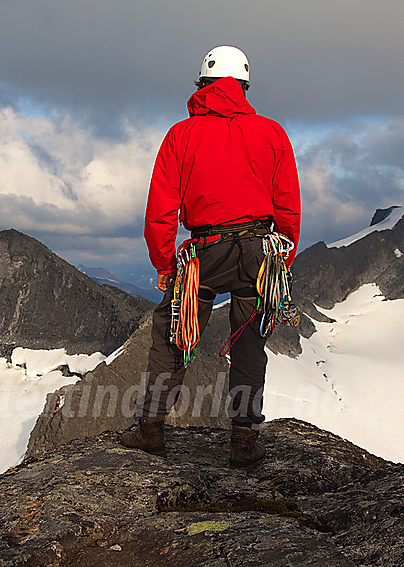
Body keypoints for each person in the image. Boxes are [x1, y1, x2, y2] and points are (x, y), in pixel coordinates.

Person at [121, 45, 301, 468]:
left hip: (204, 251)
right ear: (243, 85)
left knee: (174, 334)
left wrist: (165, 265)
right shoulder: (272, 133)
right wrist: (283, 258)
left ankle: (151, 429)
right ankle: (243, 439)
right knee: (251, 342)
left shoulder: (181, 135)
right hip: (259, 250)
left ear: (202, 84)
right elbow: (288, 205)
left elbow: (161, 210)